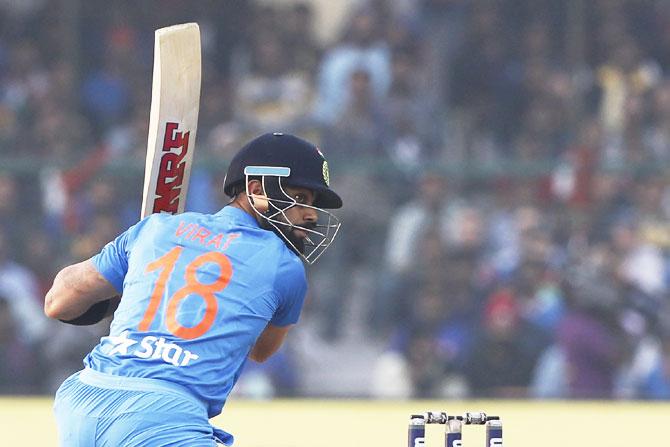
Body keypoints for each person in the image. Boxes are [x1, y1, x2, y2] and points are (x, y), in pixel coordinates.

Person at [44, 132, 342, 446]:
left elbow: (57, 302)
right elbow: (259, 350)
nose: (310, 214)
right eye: (301, 199)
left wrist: (129, 292)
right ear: (256, 190)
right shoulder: (285, 266)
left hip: (84, 399)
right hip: (165, 418)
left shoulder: (156, 229)